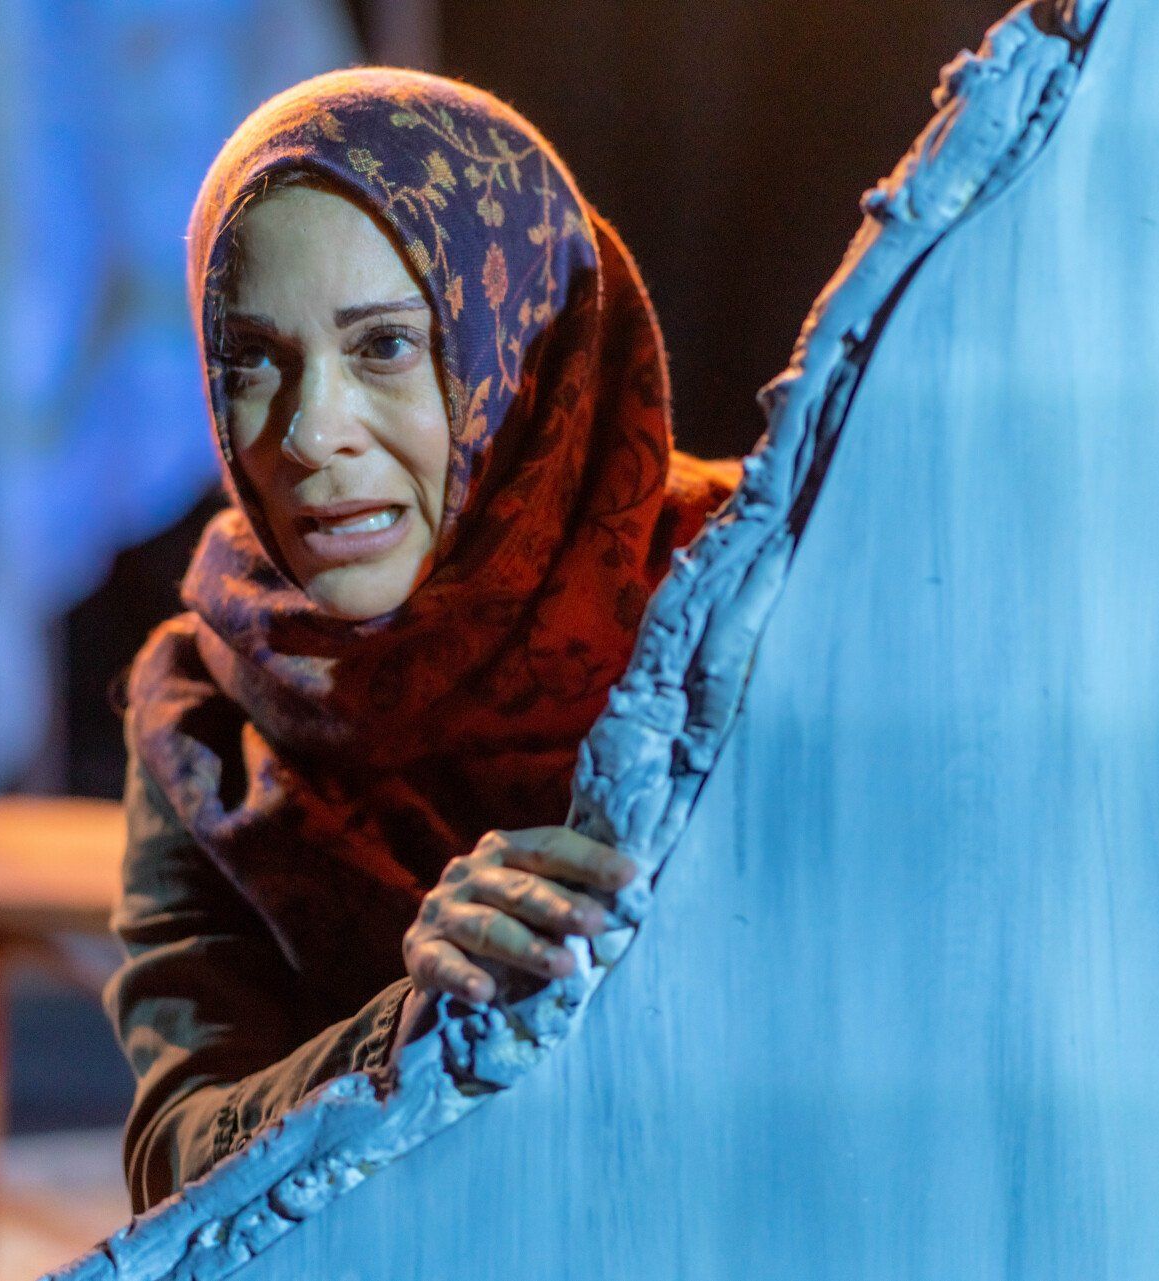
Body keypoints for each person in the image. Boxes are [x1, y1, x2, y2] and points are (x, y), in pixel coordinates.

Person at [108, 66, 739, 1213]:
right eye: (252, 360)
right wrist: (405, 1028)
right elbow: (175, 1155)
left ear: (525, 346)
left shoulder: (739, 602)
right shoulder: (209, 705)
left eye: (386, 346)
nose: (307, 434)